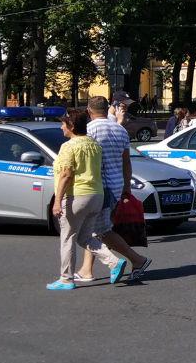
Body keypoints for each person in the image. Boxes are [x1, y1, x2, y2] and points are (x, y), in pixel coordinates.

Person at [47, 111, 126, 291]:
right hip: (96, 196)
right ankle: (114, 262)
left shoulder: (69, 146)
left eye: (63, 124)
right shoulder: (94, 145)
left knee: (67, 238)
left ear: (72, 126)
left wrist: (57, 201)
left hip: (76, 196)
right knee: (85, 237)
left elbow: (67, 174)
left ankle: (66, 279)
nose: (61, 127)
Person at [77, 96, 151, 282]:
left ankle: (137, 260)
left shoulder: (89, 130)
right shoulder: (120, 130)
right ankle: (86, 270)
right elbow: (126, 162)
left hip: (100, 187)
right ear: (106, 109)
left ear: (89, 110)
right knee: (96, 229)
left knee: (99, 230)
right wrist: (126, 187)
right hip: (117, 185)